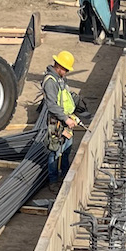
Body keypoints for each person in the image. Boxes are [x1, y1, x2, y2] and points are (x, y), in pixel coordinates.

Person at [42, 50, 80, 193]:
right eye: (65, 69)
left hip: (65, 120)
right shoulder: (50, 82)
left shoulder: (60, 79)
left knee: (67, 149)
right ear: (58, 66)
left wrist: (70, 117)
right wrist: (65, 119)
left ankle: (65, 175)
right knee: (54, 153)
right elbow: (52, 105)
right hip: (56, 123)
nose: (66, 72)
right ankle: (53, 181)